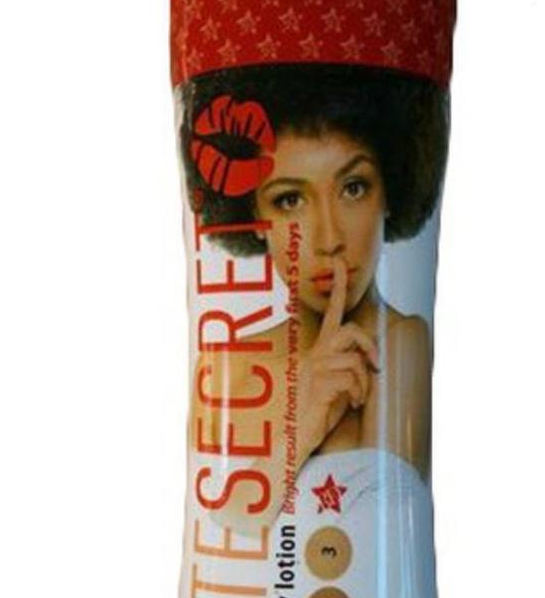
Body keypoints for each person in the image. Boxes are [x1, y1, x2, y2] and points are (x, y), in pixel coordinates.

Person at [179, 62, 450, 534]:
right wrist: (301, 424)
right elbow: (217, 534)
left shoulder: (399, 344)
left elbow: (375, 539)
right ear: (253, 216)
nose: (329, 239)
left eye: (353, 188)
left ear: (389, 192)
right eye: (289, 200)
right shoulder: (224, 364)